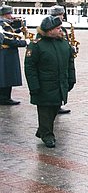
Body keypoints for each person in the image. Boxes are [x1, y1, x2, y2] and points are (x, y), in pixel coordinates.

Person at [24, 16, 75, 148]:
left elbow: (70, 62)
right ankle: (47, 135)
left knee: (55, 107)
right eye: (57, 28)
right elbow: (30, 67)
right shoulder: (36, 45)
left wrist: (71, 79)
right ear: (49, 30)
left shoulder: (64, 43)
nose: (60, 30)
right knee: (45, 110)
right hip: (44, 84)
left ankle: (42, 130)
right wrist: (34, 86)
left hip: (60, 84)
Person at [49, 5, 77, 114]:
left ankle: (58, 104)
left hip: (65, 60)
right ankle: (54, 105)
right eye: (61, 15)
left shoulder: (62, 29)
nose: (62, 17)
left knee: (65, 81)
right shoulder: (49, 29)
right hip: (57, 61)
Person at [0, 5, 27, 105]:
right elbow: (8, 40)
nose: (11, 16)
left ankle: (6, 97)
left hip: (8, 53)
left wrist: (19, 31)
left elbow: (10, 34)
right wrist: (24, 42)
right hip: (5, 53)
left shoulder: (5, 24)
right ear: (5, 15)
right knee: (5, 76)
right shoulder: (2, 24)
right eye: (9, 14)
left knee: (7, 76)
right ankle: (4, 98)